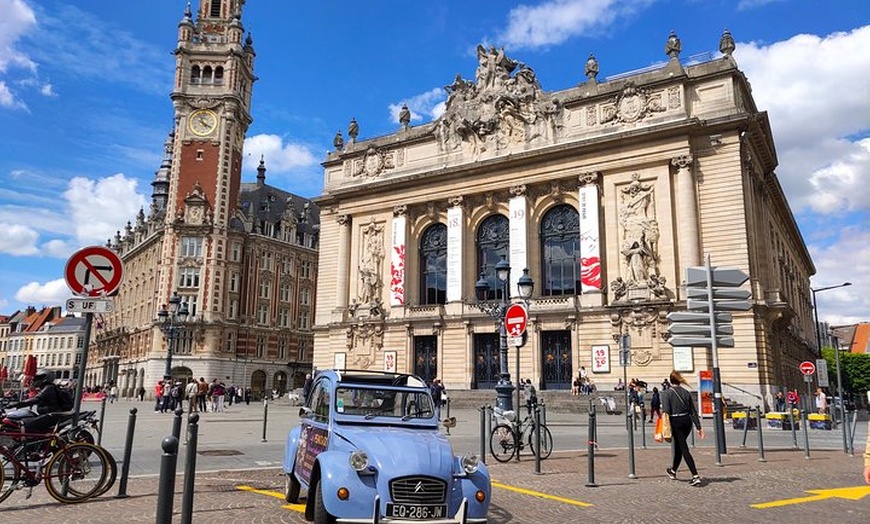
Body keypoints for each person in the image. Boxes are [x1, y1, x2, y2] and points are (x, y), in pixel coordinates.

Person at [661, 370, 705, 487]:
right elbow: (692, 411)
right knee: (679, 447)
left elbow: (666, 411)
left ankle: (695, 476)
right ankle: (673, 470)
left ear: (670, 381)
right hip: (687, 422)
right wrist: (698, 427)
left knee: (683, 448)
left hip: (676, 422)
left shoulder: (666, 394)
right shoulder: (686, 393)